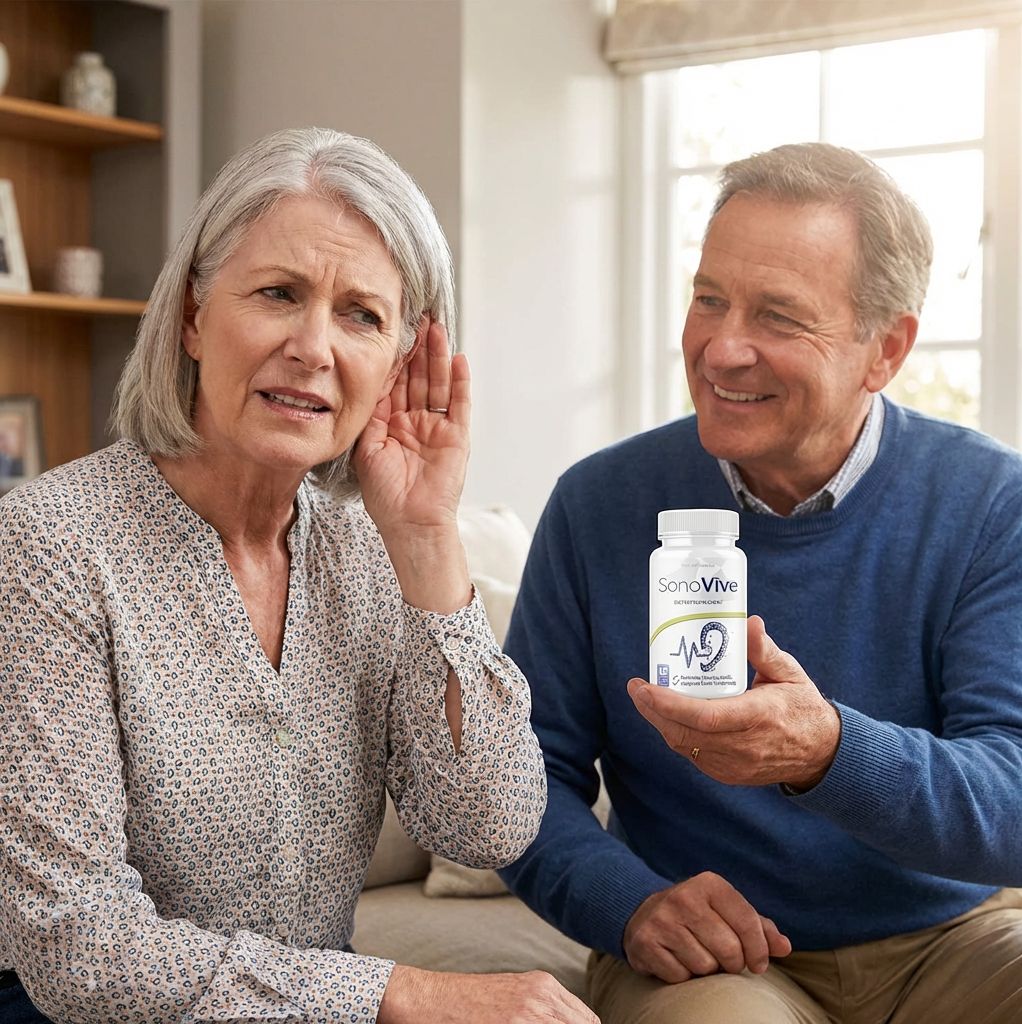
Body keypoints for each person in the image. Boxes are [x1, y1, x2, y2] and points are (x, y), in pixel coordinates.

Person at [0, 127, 597, 1024]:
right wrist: (399, 991)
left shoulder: (371, 549)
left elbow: (489, 827)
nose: (314, 346)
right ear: (195, 317)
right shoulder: (49, 544)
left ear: (401, 360)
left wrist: (429, 538)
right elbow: (77, 945)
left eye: (362, 314)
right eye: (279, 294)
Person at [499, 142, 1022, 1024]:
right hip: (718, 964)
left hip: (950, 943)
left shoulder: (989, 504)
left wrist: (827, 753)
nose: (722, 348)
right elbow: (517, 780)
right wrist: (627, 903)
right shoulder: (598, 504)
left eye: (778, 316)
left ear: (884, 349)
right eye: (709, 299)